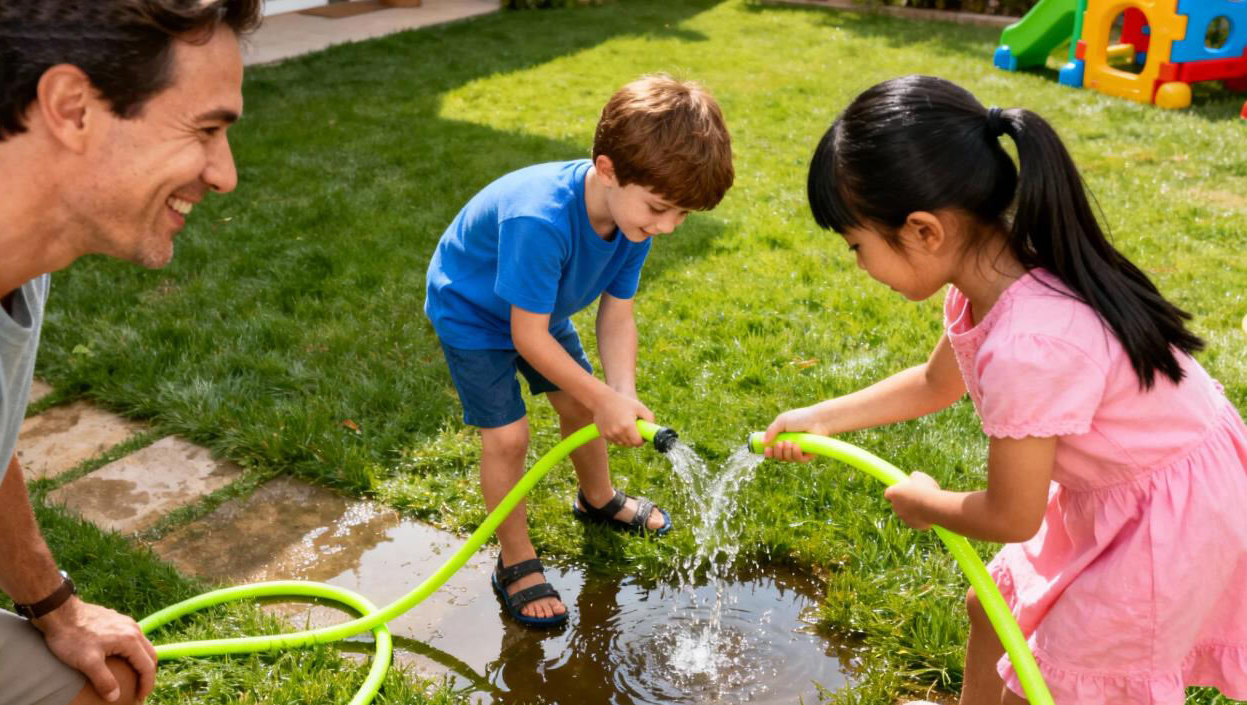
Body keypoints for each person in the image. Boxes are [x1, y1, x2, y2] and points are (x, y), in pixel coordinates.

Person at [762, 75, 1247, 704]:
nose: (859, 264)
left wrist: (926, 501)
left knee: (1053, 679)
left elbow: (1011, 516)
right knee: (991, 607)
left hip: (1164, 525)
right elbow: (938, 384)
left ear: (923, 231)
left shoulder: (1028, 344)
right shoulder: (996, 270)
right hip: (1130, 488)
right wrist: (821, 417)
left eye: (857, 245)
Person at [0, 1, 259, 703]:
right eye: (206, 128)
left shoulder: (17, 247)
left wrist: (55, 607)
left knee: (108, 680)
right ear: (72, 108)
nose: (224, 174)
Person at [424, 73, 734, 627]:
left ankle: (598, 498)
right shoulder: (540, 219)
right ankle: (514, 556)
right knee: (508, 436)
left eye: (682, 216)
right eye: (661, 208)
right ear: (608, 169)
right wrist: (602, 397)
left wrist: (621, 393)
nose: (668, 227)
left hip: (539, 311)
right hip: (473, 310)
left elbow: (618, 314)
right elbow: (527, 338)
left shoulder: (631, 220)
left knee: (579, 407)